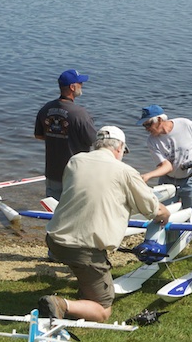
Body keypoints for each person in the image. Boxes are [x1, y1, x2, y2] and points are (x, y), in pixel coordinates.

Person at [40, 125, 170, 323]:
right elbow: (152, 208)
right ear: (119, 148)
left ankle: (86, 289)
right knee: (102, 310)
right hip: (83, 250)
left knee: (85, 267)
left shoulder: (76, 161)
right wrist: (166, 214)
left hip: (55, 240)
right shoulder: (125, 171)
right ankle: (60, 304)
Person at [34, 69, 96, 199]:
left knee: (54, 209)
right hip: (75, 173)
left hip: (53, 172)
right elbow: (93, 141)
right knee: (75, 209)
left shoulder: (45, 109)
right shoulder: (80, 114)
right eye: (80, 83)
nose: (82, 85)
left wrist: (57, 136)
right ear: (72, 87)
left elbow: (39, 135)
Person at [136, 104, 192, 210]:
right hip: (167, 181)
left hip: (191, 180)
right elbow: (167, 166)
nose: (147, 129)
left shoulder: (186, 124)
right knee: (164, 213)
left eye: (148, 124)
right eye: (144, 126)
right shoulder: (152, 141)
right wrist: (148, 176)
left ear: (159, 120)